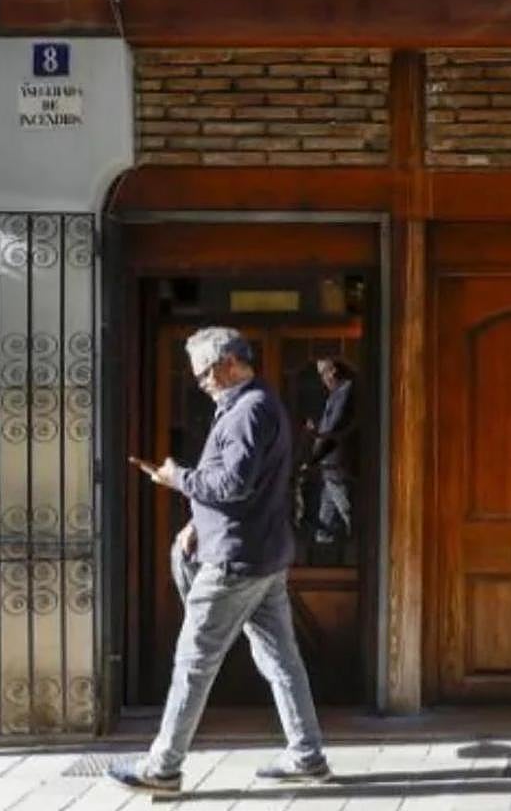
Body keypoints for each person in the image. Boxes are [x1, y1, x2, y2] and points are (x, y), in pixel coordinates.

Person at [108, 327, 330, 794]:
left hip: (235, 561)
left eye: (205, 372)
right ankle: (306, 754)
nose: (201, 382)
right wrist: (197, 522)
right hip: (260, 556)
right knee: (280, 659)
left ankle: (163, 767)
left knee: (194, 661)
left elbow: (232, 485)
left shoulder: (248, 412)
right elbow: (239, 486)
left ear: (229, 363)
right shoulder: (255, 404)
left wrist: (176, 478)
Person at [303, 358, 356, 544]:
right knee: (329, 504)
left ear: (332, 371)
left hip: (334, 459)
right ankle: (324, 541)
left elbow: (335, 427)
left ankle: (356, 536)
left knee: (343, 504)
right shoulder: (336, 394)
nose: (322, 378)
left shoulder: (345, 393)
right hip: (329, 460)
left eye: (324, 372)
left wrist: (315, 436)